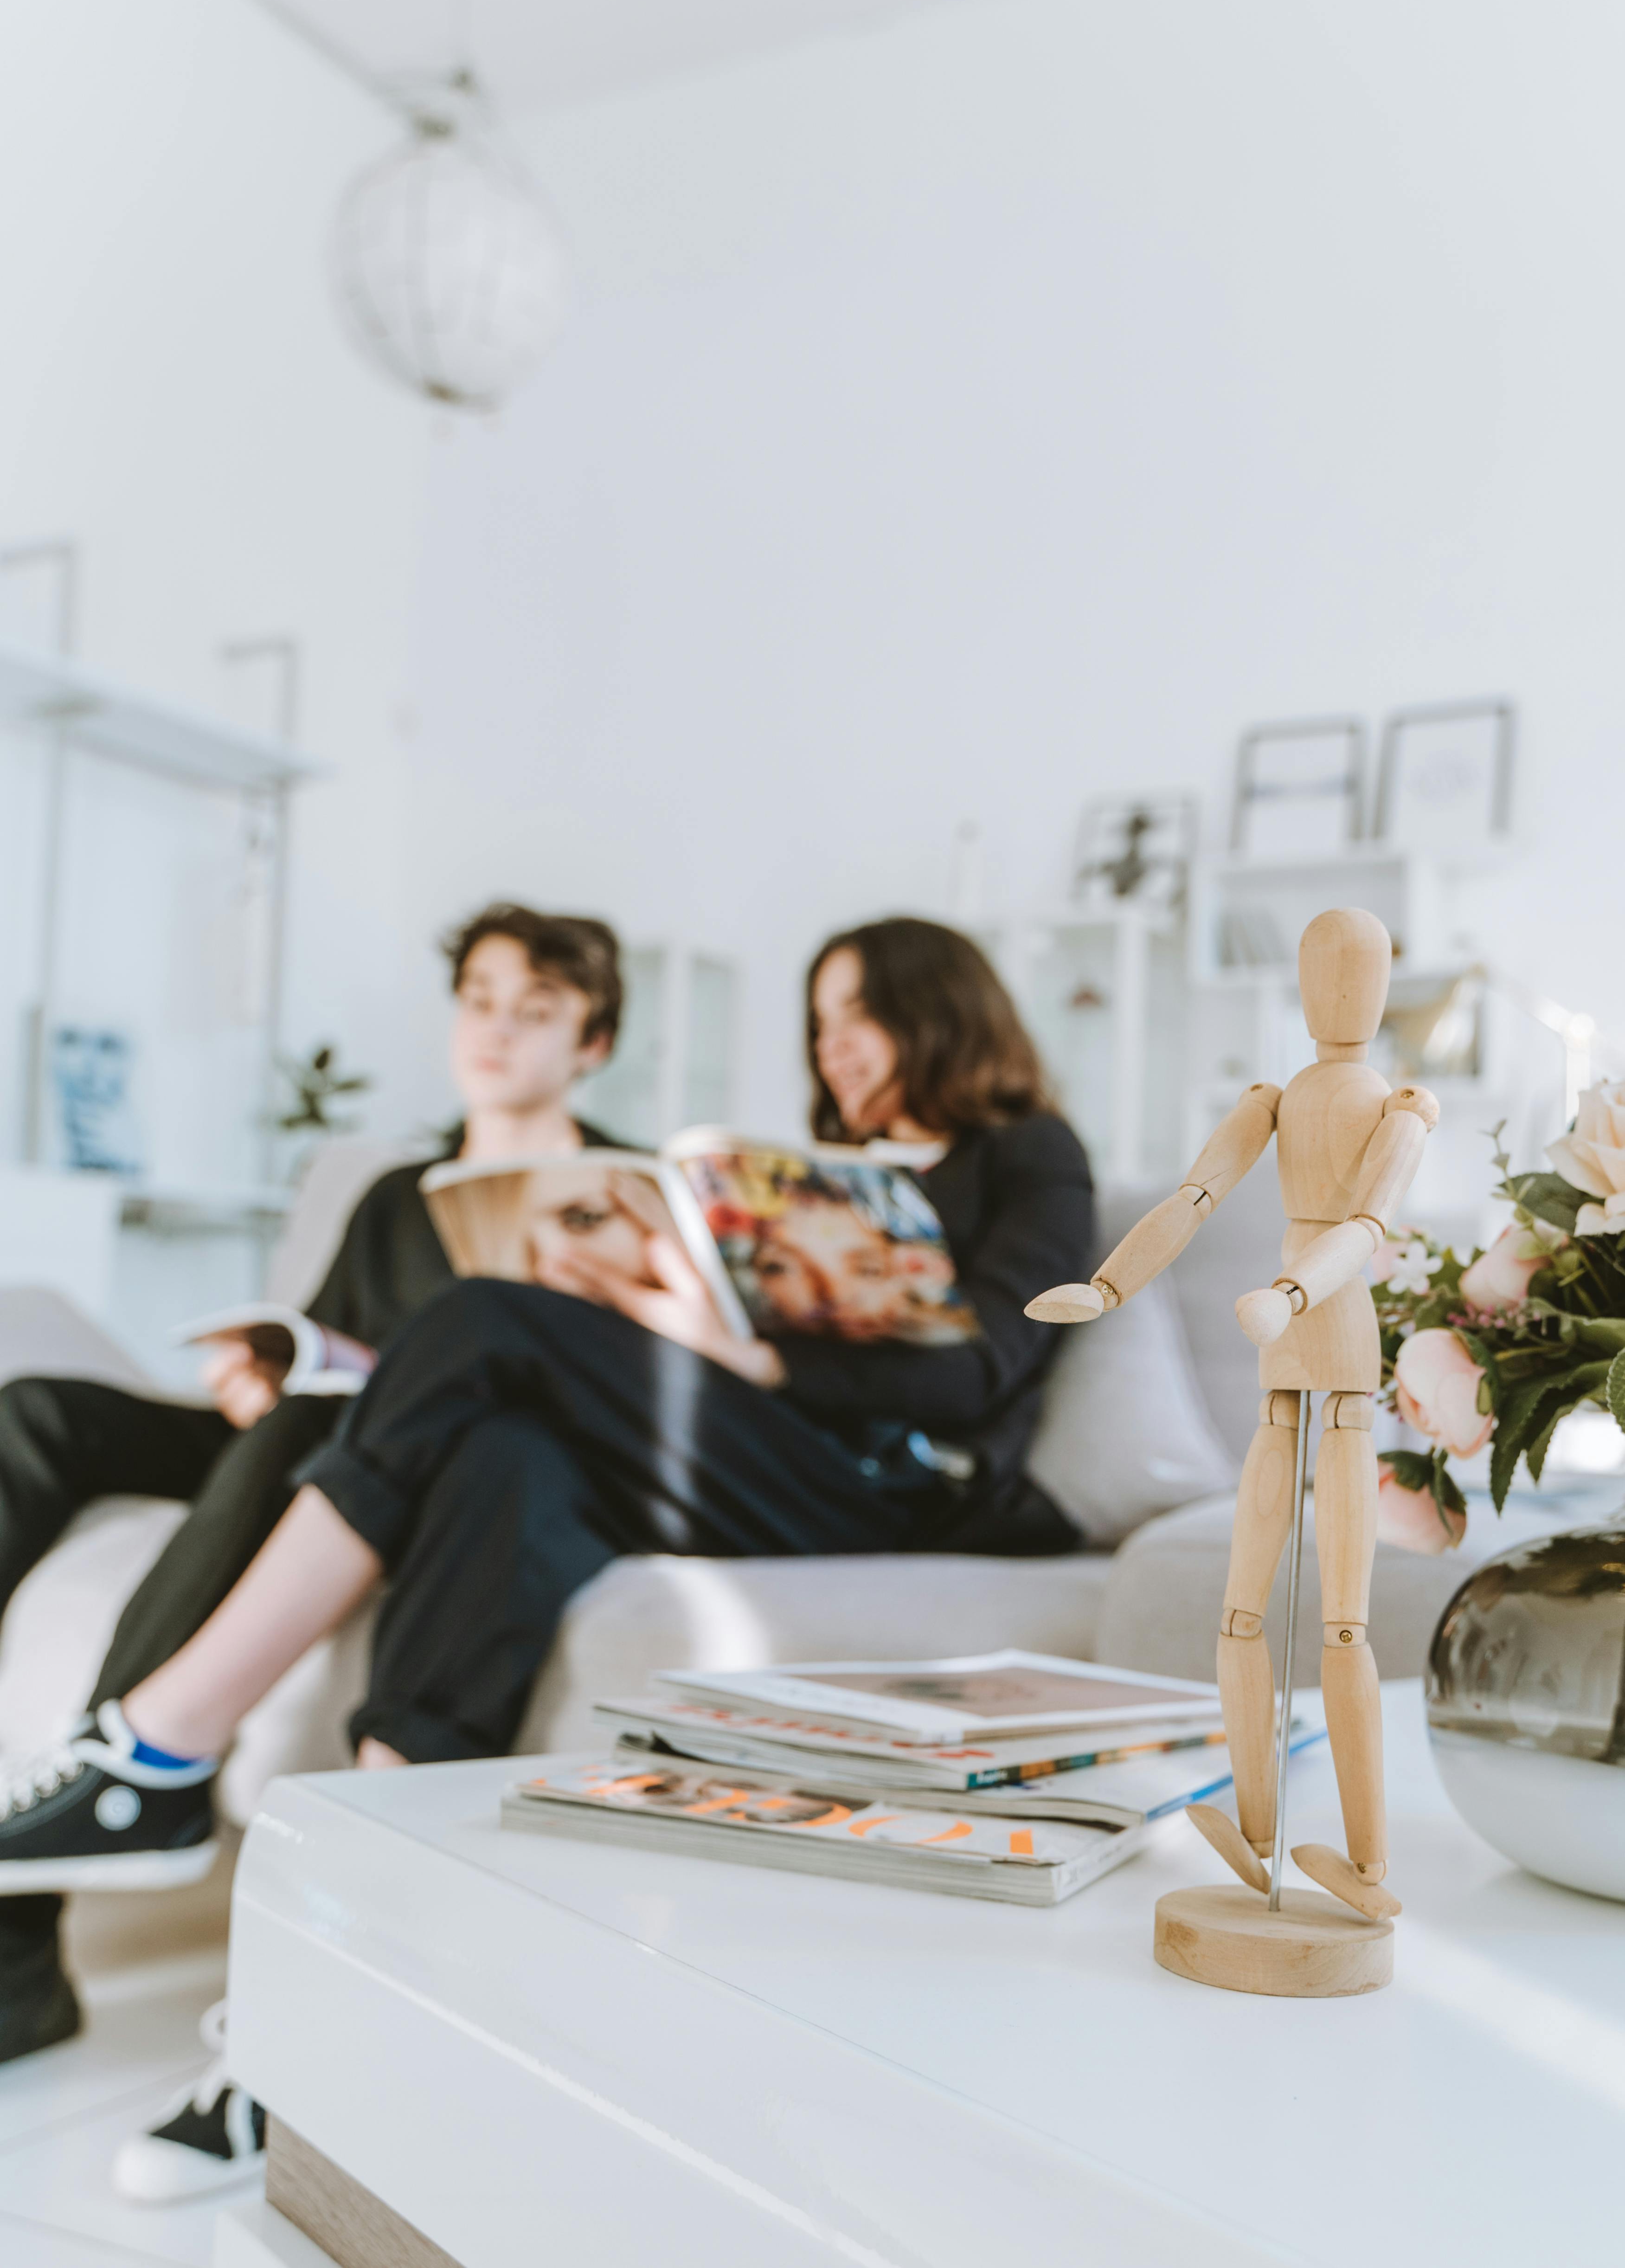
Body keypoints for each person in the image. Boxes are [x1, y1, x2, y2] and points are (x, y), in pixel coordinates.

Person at [0, 916, 1092, 2182]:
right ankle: (319, 1989)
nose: (835, 1044)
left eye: (864, 1013)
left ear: (943, 1012)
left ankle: (161, 1744)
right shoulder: (798, 1171)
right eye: (820, 1019)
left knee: (476, 1323)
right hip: (747, 1447)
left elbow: (989, 1368)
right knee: (506, 1460)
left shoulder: (1028, 1153)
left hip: (887, 1485)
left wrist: (749, 1353)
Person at [0, 904, 625, 2090]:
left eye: (535, 1010)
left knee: (320, 1419)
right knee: (37, 1409)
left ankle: (73, 1859)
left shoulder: (617, 1195)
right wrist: (265, 1368)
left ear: (590, 1041)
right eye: (479, 1000)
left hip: (419, 1464)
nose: (496, 1031)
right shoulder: (395, 1191)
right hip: (309, 1431)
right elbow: (324, 1344)